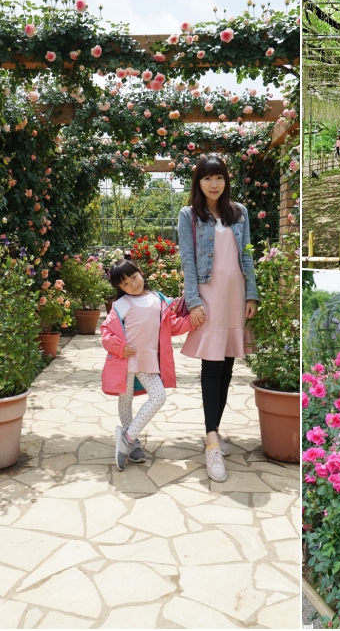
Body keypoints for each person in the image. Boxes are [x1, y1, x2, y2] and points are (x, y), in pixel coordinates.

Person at [178, 154, 259, 483]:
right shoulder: (189, 215)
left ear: (226, 180)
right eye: (207, 178)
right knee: (211, 368)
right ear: (198, 182)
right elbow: (187, 261)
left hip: (235, 296)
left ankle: (215, 429)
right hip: (208, 298)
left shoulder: (239, 213)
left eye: (219, 177)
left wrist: (252, 294)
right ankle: (211, 442)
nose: (214, 184)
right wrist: (194, 301)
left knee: (226, 367)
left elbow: (247, 256)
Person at [102, 259, 192, 471]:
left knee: (158, 397)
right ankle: (132, 445)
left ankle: (127, 437)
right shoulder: (122, 304)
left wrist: (191, 322)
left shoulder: (157, 299)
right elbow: (106, 332)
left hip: (147, 361)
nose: (133, 285)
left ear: (140, 272)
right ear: (120, 287)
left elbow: (171, 325)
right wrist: (119, 348)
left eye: (134, 277)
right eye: (125, 283)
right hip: (126, 362)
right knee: (126, 401)